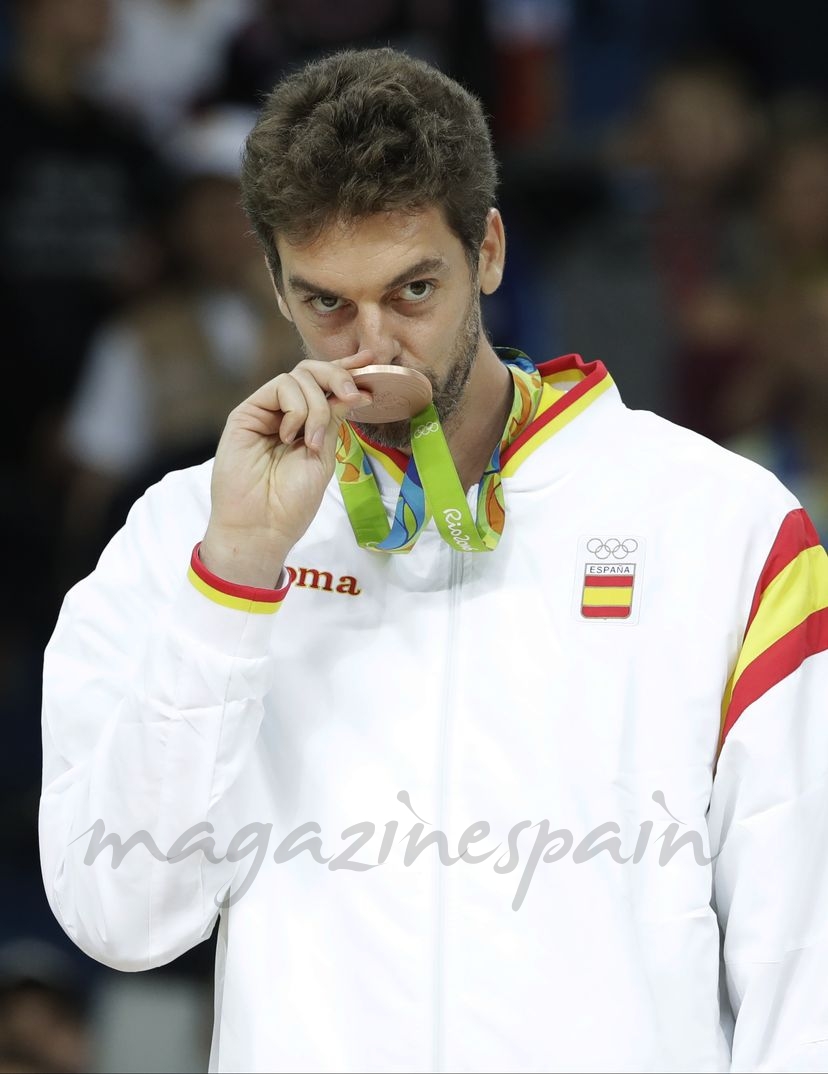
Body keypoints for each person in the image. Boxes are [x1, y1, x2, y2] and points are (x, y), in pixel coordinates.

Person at [39, 47, 828, 1073]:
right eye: (327, 303)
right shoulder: (181, 538)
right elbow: (123, 917)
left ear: (489, 250)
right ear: (275, 286)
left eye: (414, 288)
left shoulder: (723, 526)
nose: (374, 347)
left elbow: (803, 948)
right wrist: (235, 579)